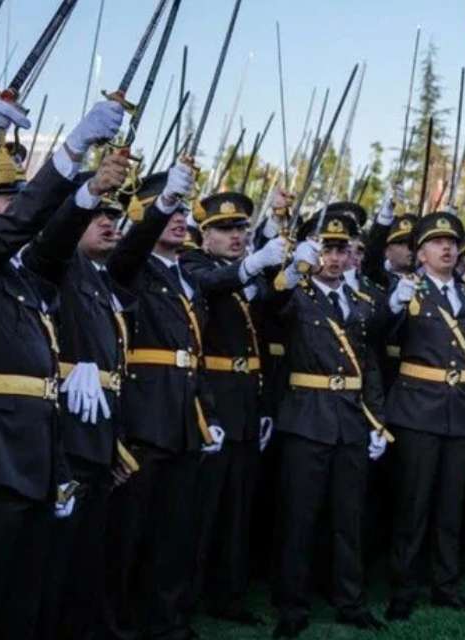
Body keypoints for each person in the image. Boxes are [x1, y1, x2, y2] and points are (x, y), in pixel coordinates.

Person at [0, 97, 123, 639]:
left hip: (37, 455)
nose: (22, 212)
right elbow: (16, 230)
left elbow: (52, 238)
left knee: (22, 603)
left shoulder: (22, 277)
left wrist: (88, 190)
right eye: (8, 202)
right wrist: (67, 152)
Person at [103, 163, 224, 640]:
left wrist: (208, 414)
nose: (178, 219)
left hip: (183, 418)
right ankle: (118, 626)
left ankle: (167, 622)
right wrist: (163, 204)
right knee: (129, 535)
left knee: (174, 535)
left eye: (179, 211)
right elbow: (130, 247)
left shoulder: (185, 277)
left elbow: (194, 355)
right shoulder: (131, 264)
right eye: (164, 210)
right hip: (144, 417)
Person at [266, 211, 390, 638]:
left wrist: (377, 420)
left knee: (348, 518)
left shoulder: (360, 304)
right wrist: (291, 266)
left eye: (340, 250)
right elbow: (268, 304)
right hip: (306, 417)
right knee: (299, 517)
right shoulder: (296, 295)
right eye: (326, 250)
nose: (334, 258)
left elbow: (369, 365)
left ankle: (350, 600)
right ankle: (292, 605)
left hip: (351, 420)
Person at [32, 159, 136, 640]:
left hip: (96, 433)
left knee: (87, 552)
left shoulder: (97, 277)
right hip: (63, 434)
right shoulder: (57, 264)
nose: (108, 222)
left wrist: (114, 441)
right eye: (97, 215)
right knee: (55, 557)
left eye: (113, 215)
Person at [377, 210, 465, 621]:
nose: (446, 248)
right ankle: (404, 587)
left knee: (452, 505)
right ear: (420, 252)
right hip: (417, 410)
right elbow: (376, 337)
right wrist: (394, 305)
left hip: (460, 412)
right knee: (413, 505)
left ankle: (446, 584)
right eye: (435, 242)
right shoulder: (406, 291)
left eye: (451, 242)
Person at [180, 191, 286, 625]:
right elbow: (211, 285)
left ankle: (229, 595)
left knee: (237, 510)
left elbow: (270, 311)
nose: (237, 236)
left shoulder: (244, 274)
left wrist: (287, 270)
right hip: (212, 400)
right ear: (204, 236)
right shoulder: (194, 265)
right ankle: (185, 600)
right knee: (201, 512)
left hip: (245, 399)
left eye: (241, 229)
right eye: (225, 230)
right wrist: (254, 264)